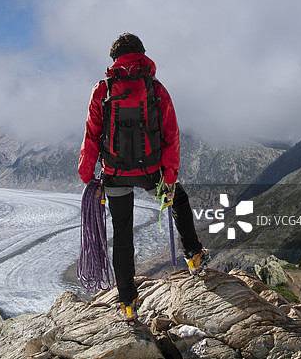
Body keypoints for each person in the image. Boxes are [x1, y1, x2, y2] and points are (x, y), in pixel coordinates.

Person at [78, 33, 210, 322]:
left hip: (114, 174)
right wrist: (170, 176)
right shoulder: (156, 89)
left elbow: (92, 135)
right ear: (142, 55)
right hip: (151, 172)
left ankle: (127, 302)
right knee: (180, 201)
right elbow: (171, 135)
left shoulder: (103, 89)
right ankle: (194, 255)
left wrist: (88, 175)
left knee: (122, 235)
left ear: (114, 60)